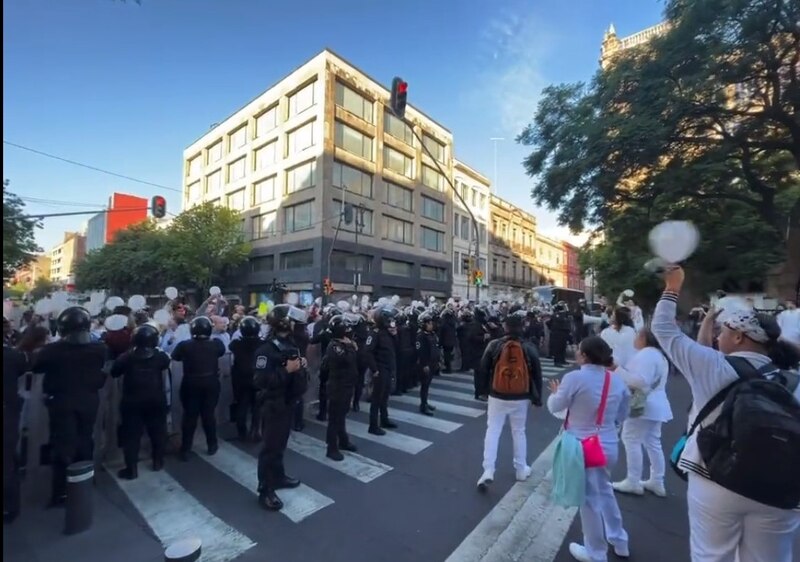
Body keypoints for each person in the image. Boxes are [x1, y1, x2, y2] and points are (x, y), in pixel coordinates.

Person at [652, 266, 800, 562]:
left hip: (715, 477)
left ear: (739, 338)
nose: (720, 337)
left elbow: (664, 329)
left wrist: (672, 286)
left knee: (711, 556)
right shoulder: (792, 380)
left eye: (725, 331)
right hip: (780, 488)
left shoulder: (713, 367)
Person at [547, 336, 630, 562]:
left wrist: (555, 393)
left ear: (584, 355)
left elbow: (556, 406)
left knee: (590, 499)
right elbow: (624, 412)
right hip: (608, 443)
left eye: (578, 350)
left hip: (582, 445)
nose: (576, 353)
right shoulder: (616, 380)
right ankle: (619, 540)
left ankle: (595, 552)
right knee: (605, 491)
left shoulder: (575, 377)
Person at [32, 307, 108, 507]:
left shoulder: (52, 351)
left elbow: (37, 366)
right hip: (89, 400)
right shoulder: (99, 349)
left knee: (62, 445)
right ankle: (84, 482)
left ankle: (61, 492)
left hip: (61, 402)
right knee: (85, 441)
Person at [476, 311, 543, 490]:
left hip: (497, 394)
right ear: (522, 327)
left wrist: (482, 391)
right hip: (520, 396)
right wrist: (537, 398)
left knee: (493, 430)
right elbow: (537, 373)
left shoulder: (494, 345)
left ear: (505, 327)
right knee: (519, 431)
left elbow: (483, 369)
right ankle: (521, 469)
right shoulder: (528, 346)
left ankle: (488, 470)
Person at [254, 304, 308, 511]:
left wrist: (299, 365)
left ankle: (278, 477)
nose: (298, 326)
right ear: (286, 323)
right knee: (270, 448)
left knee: (280, 444)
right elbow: (261, 380)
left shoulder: (289, 343)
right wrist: (287, 370)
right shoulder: (265, 350)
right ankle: (265, 489)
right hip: (273, 404)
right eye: (294, 322)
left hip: (287, 402)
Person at [612, 328, 672, 497]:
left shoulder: (646, 355)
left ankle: (633, 481)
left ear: (644, 338)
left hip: (644, 404)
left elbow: (639, 381)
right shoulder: (659, 356)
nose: (635, 338)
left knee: (631, 439)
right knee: (652, 441)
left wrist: (617, 370)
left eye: (638, 335)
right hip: (657, 403)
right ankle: (657, 481)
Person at [110, 324, 171, 479]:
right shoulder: (160, 356)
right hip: (156, 399)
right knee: (158, 431)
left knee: (131, 435)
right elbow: (166, 364)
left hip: (132, 401)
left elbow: (114, 372)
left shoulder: (126, 357)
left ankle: (131, 469)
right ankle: (158, 461)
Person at [171, 316, 226, 461]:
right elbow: (222, 351)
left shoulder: (185, 345)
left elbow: (175, 356)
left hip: (191, 382)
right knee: (208, 414)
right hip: (211, 382)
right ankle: (212, 444)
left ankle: (186, 448)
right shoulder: (216, 344)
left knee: (190, 416)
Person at [321, 313, 360, 461]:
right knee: (335, 418)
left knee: (341, 416)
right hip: (338, 386)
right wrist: (351, 347)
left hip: (347, 384)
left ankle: (343, 441)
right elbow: (347, 359)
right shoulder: (335, 346)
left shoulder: (344, 344)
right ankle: (331, 448)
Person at [364, 306, 399, 435]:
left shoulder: (388, 332)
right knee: (376, 398)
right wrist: (374, 369)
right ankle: (373, 425)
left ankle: (384, 419)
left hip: (388, 368)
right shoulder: (375, 333)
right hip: (380, 369)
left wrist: (395, 335)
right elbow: (368, 352)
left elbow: (395, 348)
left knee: (385, 396)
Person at [3, 341, 28, 523]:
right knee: (7, 459)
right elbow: (23, 369)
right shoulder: (12, 356)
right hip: (8, 410)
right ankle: (9, 507)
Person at [228, 316, 262, 441]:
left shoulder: (236, 344)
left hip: (241, 380)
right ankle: (255, 430)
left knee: (242, 405)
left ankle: (241, 432)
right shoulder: (263, 344)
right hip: (258, 379)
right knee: (257, 407)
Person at [415, 311, 440, 416]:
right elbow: (420, 352)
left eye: (431, 322)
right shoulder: (421, 336)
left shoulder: (432, 334)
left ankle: (425, 402)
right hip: (425, 364)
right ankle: (423, 406)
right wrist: (424, 365)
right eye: (428, 323)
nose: (431, 325)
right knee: (424, 385)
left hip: (433, 362)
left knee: (428, 385)